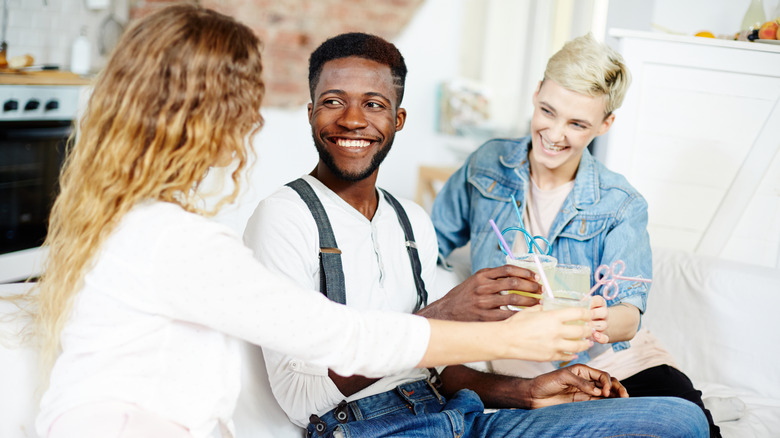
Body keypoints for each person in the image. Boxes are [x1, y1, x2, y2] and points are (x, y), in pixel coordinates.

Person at [22, 6, 604, 438]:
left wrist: (521, 387)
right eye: (243, 101)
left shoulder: (142, 227)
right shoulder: (177, 242)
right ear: (206, 116)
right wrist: (506, 337)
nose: (251, 120)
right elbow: (342, 341)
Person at [243, 31, 708, 438]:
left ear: (397, 120)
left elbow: (439, 370)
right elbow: (302, 399)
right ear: (309, 113)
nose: (352, 120)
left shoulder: (410, 221)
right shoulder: (284, 218)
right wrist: (445, 312)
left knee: (682, 422)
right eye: (332, 101)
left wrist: (526, 393)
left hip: (457, 416)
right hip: (370, 426)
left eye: (374, 104)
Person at [430, 33, 720, 436]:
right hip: (518, 362)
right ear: (536, 94)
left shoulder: (620, 203)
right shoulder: (486, 167)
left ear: (605, 124)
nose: (554, 133)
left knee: (692, 425)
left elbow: (628, 318)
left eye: (577, 124)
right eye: (548, 111)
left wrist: (599, 319)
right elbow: (428, 247)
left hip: (612, 361)